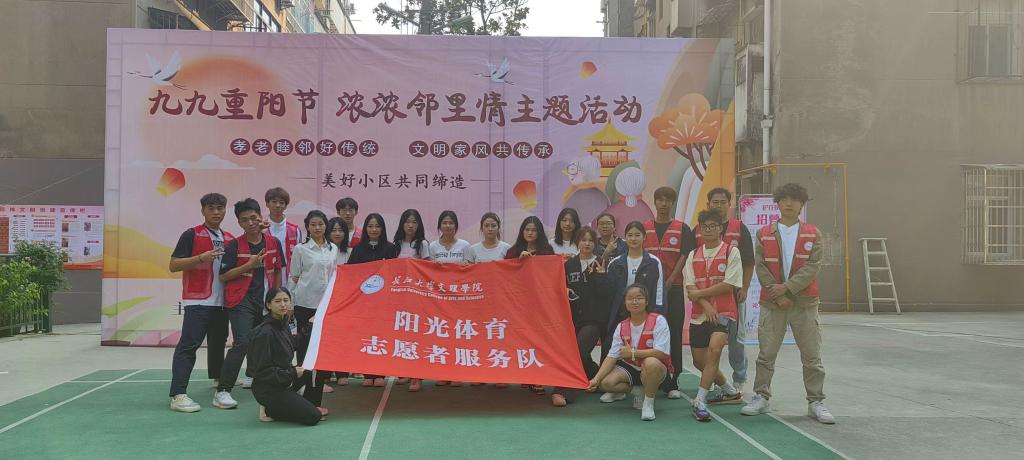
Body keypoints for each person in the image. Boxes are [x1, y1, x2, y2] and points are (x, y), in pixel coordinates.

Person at [741, 183, 835, 424]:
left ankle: (816, 401)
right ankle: (761, 397)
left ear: (802, 204)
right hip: (773, 304)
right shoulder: (764, 233)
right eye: (784, 199)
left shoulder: (813, 233)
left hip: (805, 304)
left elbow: (813, 267)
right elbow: (761, 266)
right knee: (766, 354)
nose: (789, 203)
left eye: (794, 199)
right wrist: (777, 294)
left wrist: (787, 288)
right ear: (778, 203)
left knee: (812, 355)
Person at [214, 198, 285, 409]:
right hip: (241, 300)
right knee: (242, 342)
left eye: (254, 218)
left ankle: (255, 376)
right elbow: (224, 276)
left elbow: (278, 269)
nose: (251, 223)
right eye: (245, 220)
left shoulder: (273, 242)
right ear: (239, 223)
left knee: (265, 341)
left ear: (260, 217)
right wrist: (250, 264)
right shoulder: (234, 245)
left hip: (265, 300)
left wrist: (278, 298)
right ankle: (222, 390)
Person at [167, 193, 232, 413]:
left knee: (218, 344)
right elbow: (174, 265)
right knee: (189, 345)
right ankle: (178, 394)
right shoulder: (191, 234)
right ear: (203, 210)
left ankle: (218, 381)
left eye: (220, 208)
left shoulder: (229, 238)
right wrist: (200, 258)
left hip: (222, 302)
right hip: (197, 301)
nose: (216, 212)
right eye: (211, 208)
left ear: (225, 211)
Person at [685, 210, 743, 422]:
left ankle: (700, 401)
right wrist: (705, 304)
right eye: (704, 227)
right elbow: (690, 286)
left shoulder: (731, 252)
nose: (708, 230)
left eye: (712, 226)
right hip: (699, 314)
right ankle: (729, 390)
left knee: (715, 350)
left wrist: (701, 296)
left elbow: (729, 283)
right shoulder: (693, 255)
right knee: (699, 361)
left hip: (724, 312)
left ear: (721, 228)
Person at [700, 187, 755, 395]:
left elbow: (749, 262)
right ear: (708, 204)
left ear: (729, 205)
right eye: (715, 202)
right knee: (709, 341)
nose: (719, 205)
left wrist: (745, 288)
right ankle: (714, 378)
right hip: (707, 295)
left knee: (735, 340)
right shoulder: (700, 229)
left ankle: (739, 378)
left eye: (723, 202)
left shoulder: (739, 228)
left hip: (732, 295)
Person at [642, 186, 696, 399]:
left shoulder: (682, 228)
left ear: (672, 203)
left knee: (673, 333)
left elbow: (685, 255)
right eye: (660, 199)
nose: (663, 204)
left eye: (668, 200)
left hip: (673, 290)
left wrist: (672, 278)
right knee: (650, 333)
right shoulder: (644, 227)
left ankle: (673, 380)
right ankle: (650, 377)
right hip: (648, 291)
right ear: (655, 202)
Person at [588, 284, 671, 421]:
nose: (634, 301)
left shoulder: (659, 321)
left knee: (651, 363)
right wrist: (595, 380)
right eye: (630, 298)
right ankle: (637, 392)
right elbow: (612, 356)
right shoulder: (621, 326)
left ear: (647, 301)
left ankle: (648, 403)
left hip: (654, 367)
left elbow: (660, 353)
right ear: (625, 302)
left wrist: (633, 353)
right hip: (630, 367)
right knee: (605, 383)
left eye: (639, 298)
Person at [248, 287, 326, 426]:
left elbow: (292, 343)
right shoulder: (264, 333)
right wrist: (293, 372)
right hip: (269, 389)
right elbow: (262, 372)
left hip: (284, 379)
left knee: (313, 369)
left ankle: (307, 404)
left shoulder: (282, 323)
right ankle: (270, 410)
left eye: (286, 300)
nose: (283, 304)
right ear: (268, 305)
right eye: (277, 301)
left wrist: (311, 324)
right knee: (313, 417)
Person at [552, 227, 611, 407]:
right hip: (572, 319)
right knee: (581, 354)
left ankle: (563, 390)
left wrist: (601, 276)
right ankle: (595, 377)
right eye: (583, 240)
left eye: (591, 240)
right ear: (577, 242)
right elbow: (558, 288)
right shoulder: (569, 264)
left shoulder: (602, 262)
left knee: (576, 352)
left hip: (594, 320)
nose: (587, 243)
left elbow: (606, 294)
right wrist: (564, 289)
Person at [288, 210, 339, 393]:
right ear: (307, 227)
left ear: (326, 226)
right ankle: (302, 383)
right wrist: (290, 303)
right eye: (313, 224)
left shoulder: (333, 248)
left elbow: (334, 275)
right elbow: (294, 277)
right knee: (304, 344)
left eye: (320, 224)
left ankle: (319, 382)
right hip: (305, 303)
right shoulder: (301, 249)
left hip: (326, 305)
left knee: (323, 344)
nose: (317, 228)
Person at [505, 216, 555, 394]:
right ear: (522, 231)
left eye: (534, 230)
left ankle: (538, 378)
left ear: (539, 232)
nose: (530, 233)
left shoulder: (547, 251)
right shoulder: (513, 251)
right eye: (527, 229)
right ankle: (525, 375)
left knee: (539, 341)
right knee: (521, 340)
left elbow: (551, 276)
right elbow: (505, 276)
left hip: (540, 304)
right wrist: (518, 262)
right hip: (518, 305)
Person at [347, 213, 396, 387]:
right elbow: (350, 274)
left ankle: (380, 373)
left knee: (382, 337)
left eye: (377, 226)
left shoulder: (390, 249)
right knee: (366, 338)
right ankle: (367, 373)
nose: (374, 229)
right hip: (364, 302)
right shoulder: (358, 250)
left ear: (382, 229)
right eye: (370, 226)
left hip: (384, 302)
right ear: (366, 229)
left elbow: (395, 274)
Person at [391, 209, 430, 392]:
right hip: (400, 298)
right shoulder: (396, 244)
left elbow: (428, 270)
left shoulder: (422, 244)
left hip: (418, 298)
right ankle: (406, 371)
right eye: (407, 221)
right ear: (402, 224)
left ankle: (417, 376)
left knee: (417, 336)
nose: (410, 225)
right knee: (404, 336)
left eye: (414, 222)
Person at [324, 217, 351, 386]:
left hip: (345, 300)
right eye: (333, 230)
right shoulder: (324, 251)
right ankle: (326, 372)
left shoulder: (350, 252)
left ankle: (342, 372)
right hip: (325, 299)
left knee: (342, 337)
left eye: (341, 230)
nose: (337, 233)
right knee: (327, 337)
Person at [265, 187, 302, 279]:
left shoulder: (295, 230)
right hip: (267, 278)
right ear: (267, 204)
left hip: (290, 277)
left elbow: (300, 255)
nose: (278, 205)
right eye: (274, 201)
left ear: (285, 206)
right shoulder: (260, 229)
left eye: (281, 202)